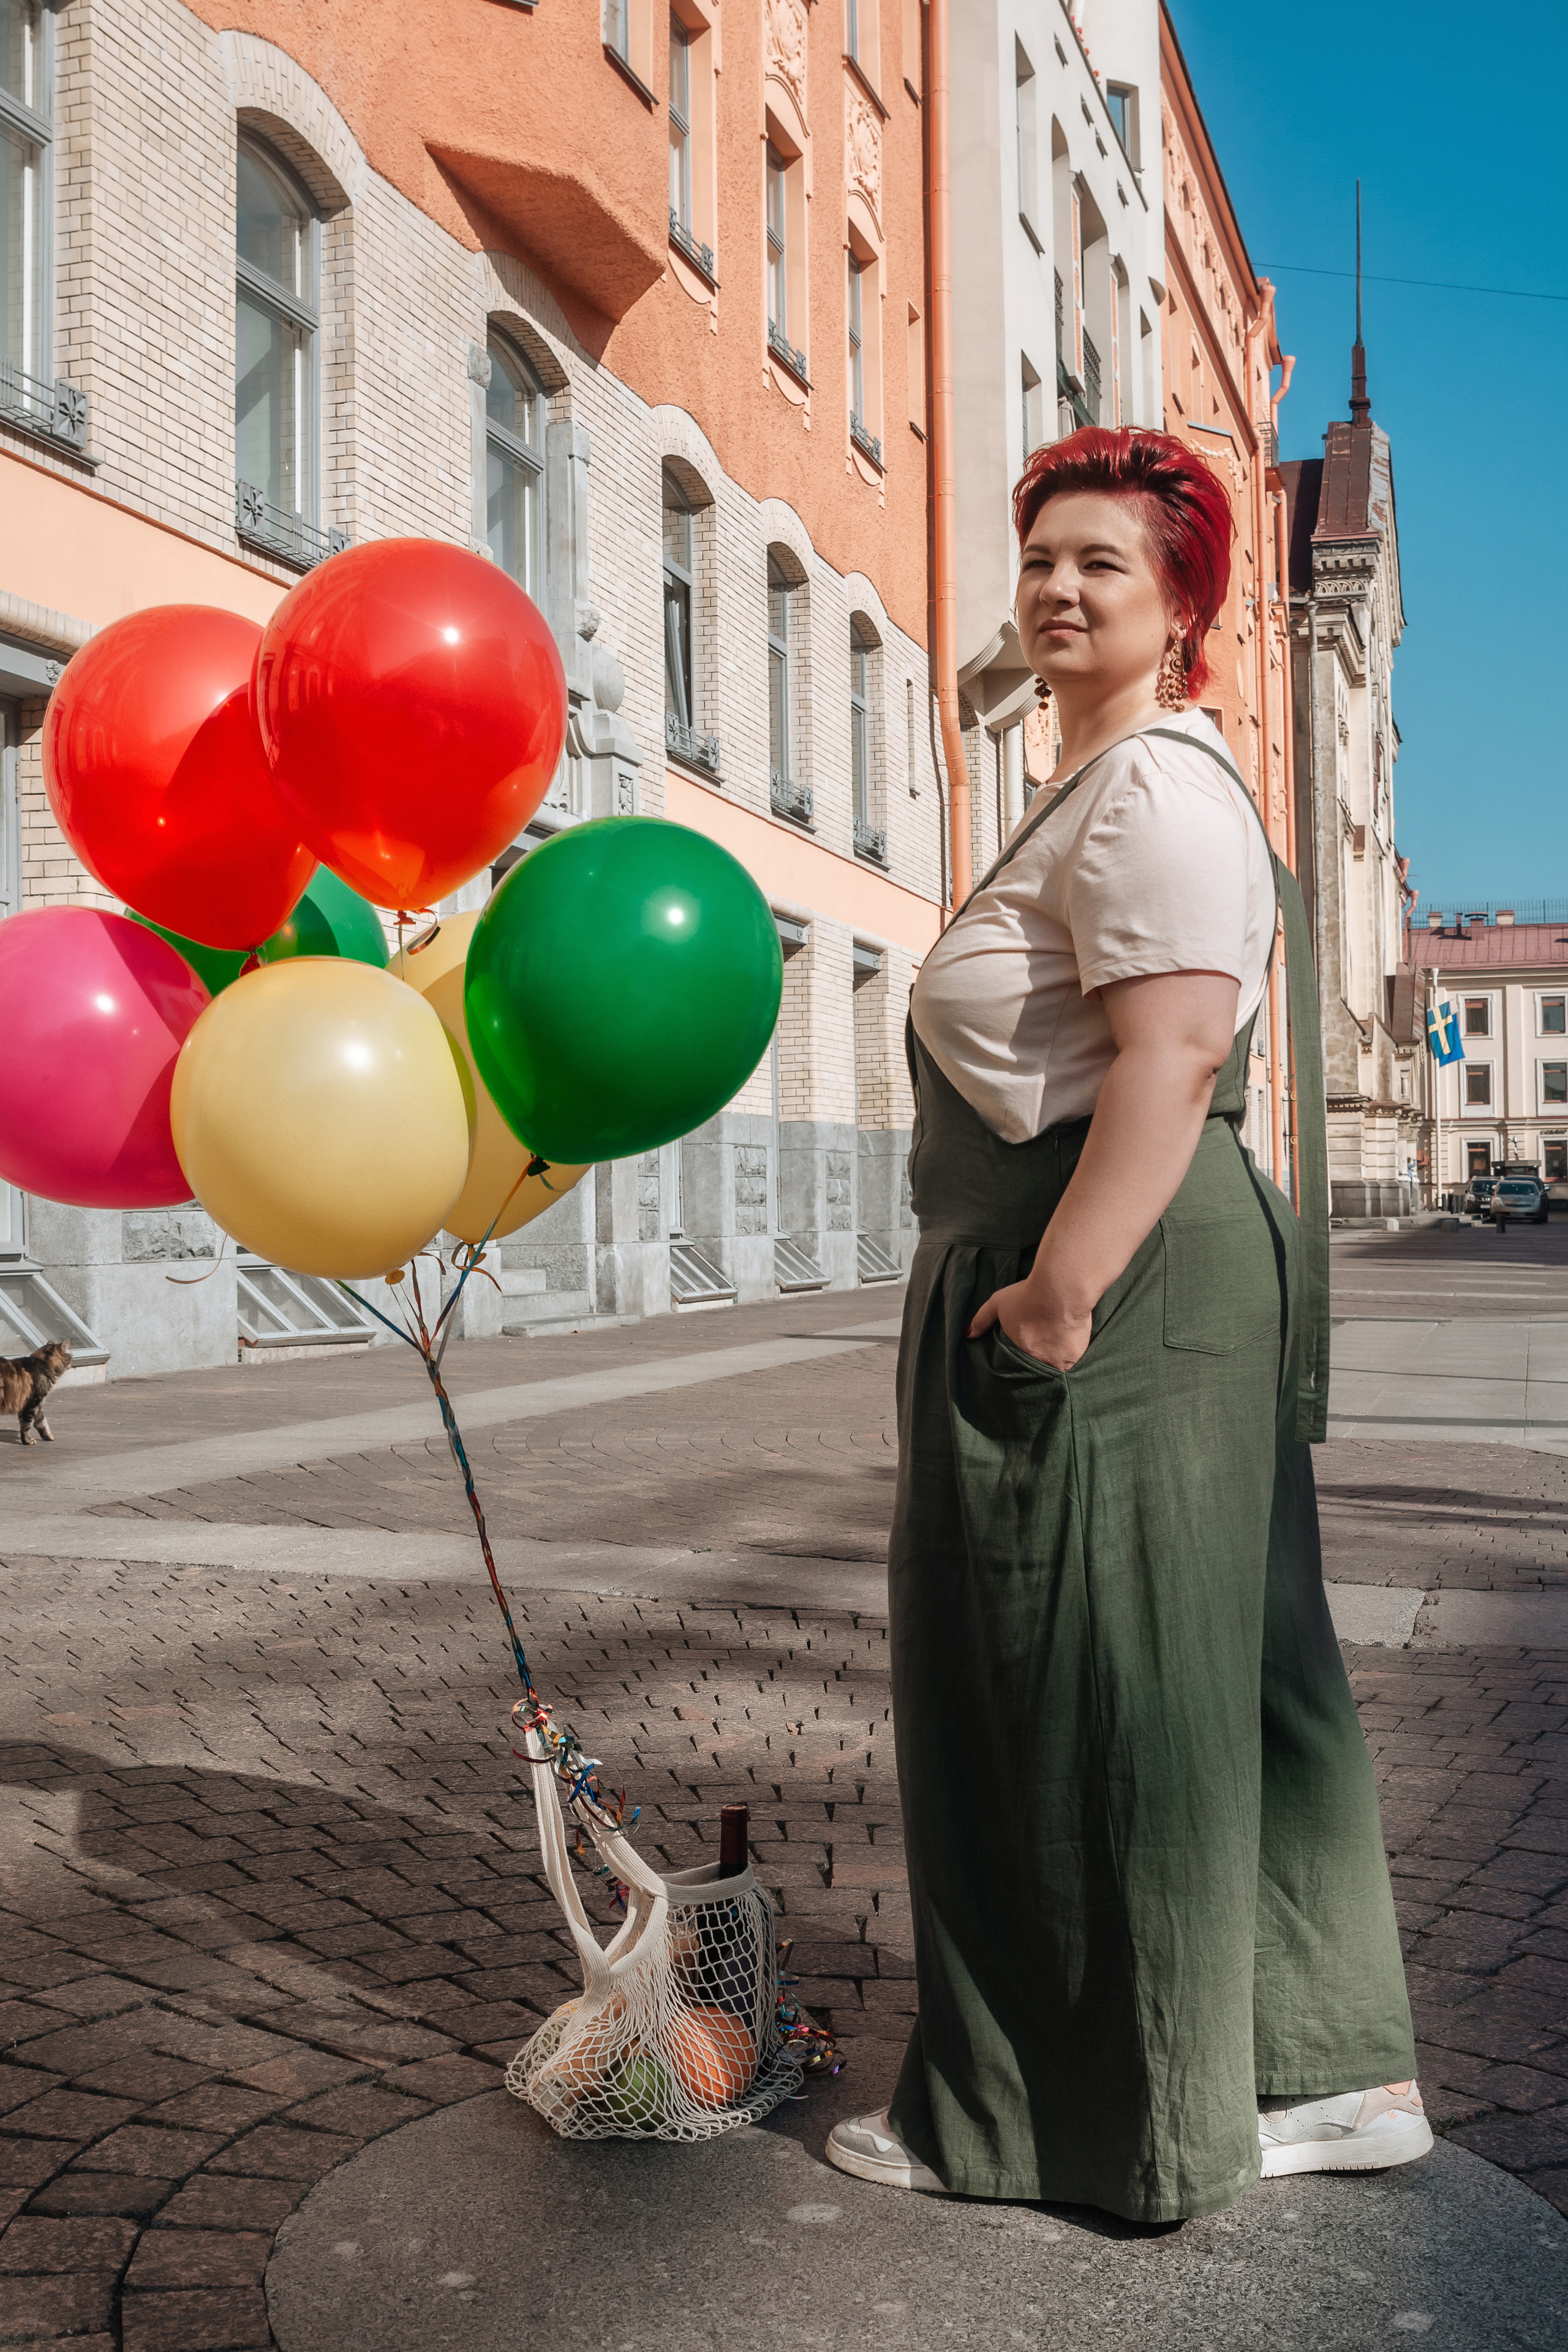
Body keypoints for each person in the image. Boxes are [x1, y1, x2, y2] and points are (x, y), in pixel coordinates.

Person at [826, 428, 1429, 2223]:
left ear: (1184, 610)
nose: (1062, 588)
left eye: (1107, 563)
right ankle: (1327, 2074)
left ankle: (1065, 2123)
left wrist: (1056, 1301)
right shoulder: (1105, 778)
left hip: (1110, 1262)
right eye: (1043, 561)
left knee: (1078, 1686)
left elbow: (1172, 1056)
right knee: (1224, 1668)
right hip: (1127, 1256)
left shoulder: (1156, 787)